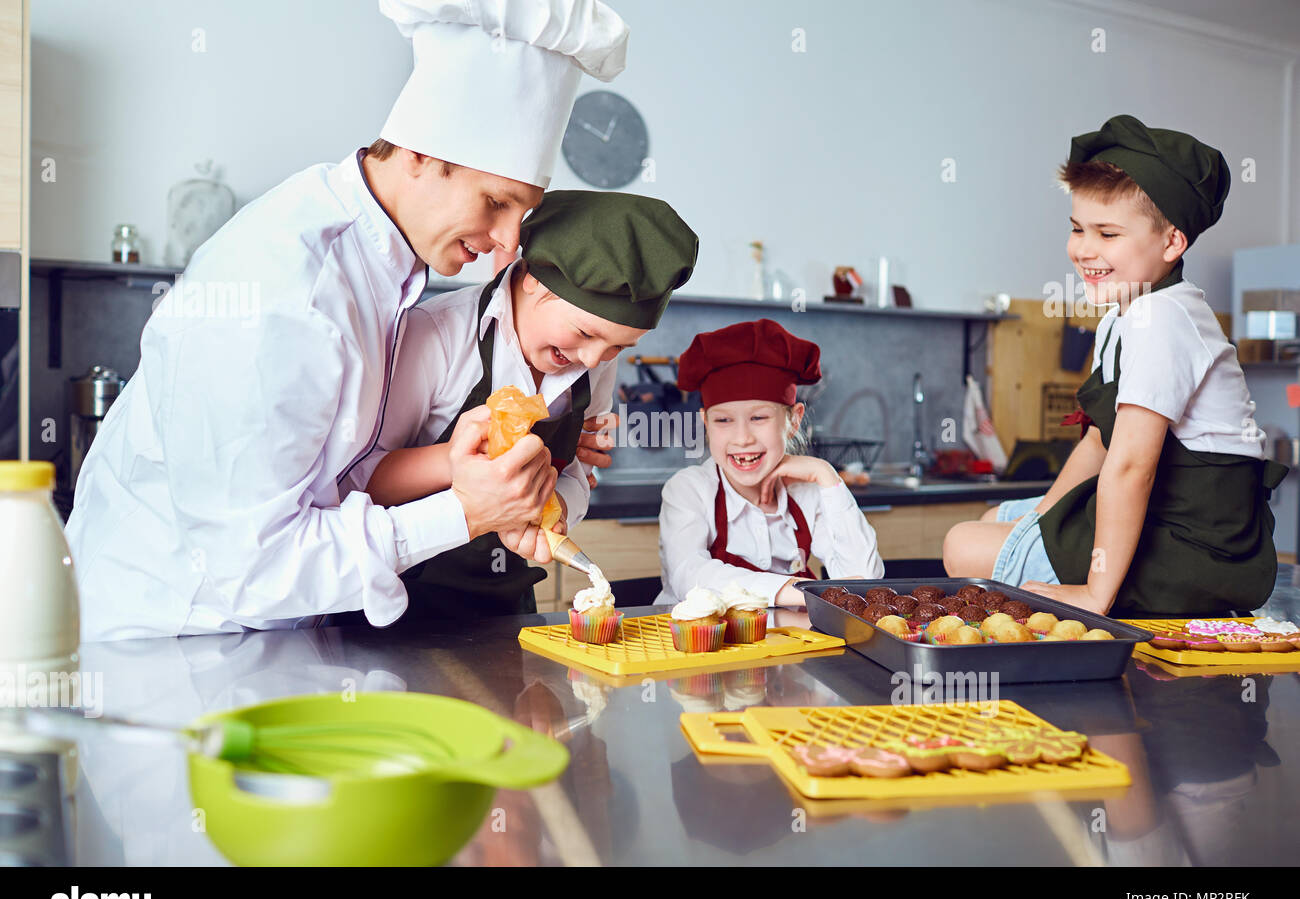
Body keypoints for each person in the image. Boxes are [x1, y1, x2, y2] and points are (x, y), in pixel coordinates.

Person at [65, 0, 629, 640]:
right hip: (169, 642)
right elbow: (253, 568)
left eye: (520, 215)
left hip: (262, 635)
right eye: (495, 202)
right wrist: (464, 512)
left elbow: (330, 482)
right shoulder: (282, 294)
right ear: (419, 152)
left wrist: (463, 466)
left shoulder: (380, 263)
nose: (506, 246)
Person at [944, 114, 1287, 617]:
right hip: (1158, 523)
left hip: (1197, 552)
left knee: (961, 544)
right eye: (1078, 228)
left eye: (1107, 233)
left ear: (1172, 242)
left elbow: (1131, 465)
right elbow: (1100, 443)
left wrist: (1094, 594)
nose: (1084, 249)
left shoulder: (1162, 318)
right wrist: (1043, 518)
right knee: (997, 519)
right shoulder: (1124, 315)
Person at [344, 190, 699, 615]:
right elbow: (355, 479)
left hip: (506, 602)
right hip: (400, 601)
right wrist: (460, 464)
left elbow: (577, 471)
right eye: (585, 334)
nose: (592, 361)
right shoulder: (438, 337)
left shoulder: (594, 359)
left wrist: (552, 509)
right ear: (534, 279)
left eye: (617, 347)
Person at [656, 319, 885, 606]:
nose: (742, 438)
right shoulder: (689, 489)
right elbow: (690, 578)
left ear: (794, 421)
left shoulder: (808, 492)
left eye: (758, 418)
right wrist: (803, 591)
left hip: (791, 646)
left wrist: (826, 474)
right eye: (723, 420)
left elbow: (864, 581)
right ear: (706, 422)